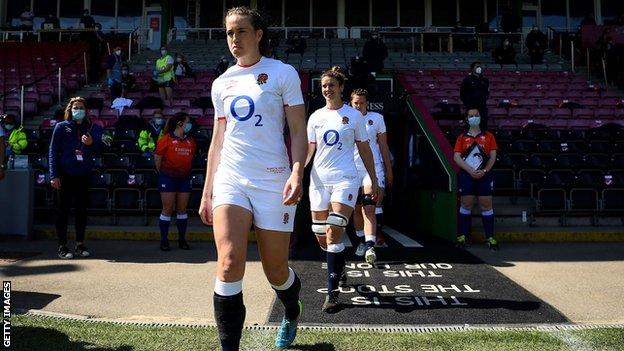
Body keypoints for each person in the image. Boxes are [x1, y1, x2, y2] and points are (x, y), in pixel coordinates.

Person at [198, 6, 307, 350]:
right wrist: (206, 192)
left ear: (258, 34)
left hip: (273, 179)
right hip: (231, 178)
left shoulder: (282, 73)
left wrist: (297, 170)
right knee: (229, 262)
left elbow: (297, 130)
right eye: (229, 32)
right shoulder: (221, 83)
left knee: (276, 271)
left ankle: (291, 308)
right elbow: (218, 141)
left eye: (241, 31)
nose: (234, 39)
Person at [306, 67, 379, 313]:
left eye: (332, 86)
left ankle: (332, 293)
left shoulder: (354, 116)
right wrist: (296, 172)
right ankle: (341, 267)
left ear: (340, 88)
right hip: (318, 180)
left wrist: (374, 178)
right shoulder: (315, 116)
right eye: (324, 86)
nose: (327, 89)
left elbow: (365, 149)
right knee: (321, 236)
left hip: (345, 179)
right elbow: (309, 149)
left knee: (334, 230)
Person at [49, 97, 104, 259]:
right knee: (62, 211)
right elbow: (52, 152)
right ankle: (62, 246)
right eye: (75, 107)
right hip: (65, 174)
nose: (77, 110)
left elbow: (99, 151)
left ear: (86, 111)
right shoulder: (61, 127)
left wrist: (91, 144)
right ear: (70, 110)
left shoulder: (94, 128)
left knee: (81, 210)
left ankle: (80, 244)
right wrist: (54, 175)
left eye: (81, 107)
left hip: (83, 174)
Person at [350, 89, 393, 264]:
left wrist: (389, 169)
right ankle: (361, 240)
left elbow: (383, 146)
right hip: (351, 170)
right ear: (351, 103)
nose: (359, 106)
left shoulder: (377, 119)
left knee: (369, 206)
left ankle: (370, 246)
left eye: (362, 103)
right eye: (355, 103)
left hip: (372, 169)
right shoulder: (345, 118)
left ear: (367, 103)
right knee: (356, 209)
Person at [453, 109, 498, 250]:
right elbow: (456, 157)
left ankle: (490, 237)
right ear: (467, 119)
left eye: (476, 115)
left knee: (486, 205)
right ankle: (462, 237)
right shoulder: (461, 137)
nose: (474, 118)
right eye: (471, 116)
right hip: (467, 175)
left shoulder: (489, 136)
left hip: (484, 175)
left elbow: (493, 156)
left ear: (480, 117)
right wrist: (470, 170)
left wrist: (484, 171)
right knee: (466, 204)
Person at [155, 112, 196, 251]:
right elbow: (158, 159)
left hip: (185, 178)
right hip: (168, 177)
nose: (189, 125)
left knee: (182, 209)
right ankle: (164, 240)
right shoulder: (165, 139)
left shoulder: (191, 141)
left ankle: (182, 240)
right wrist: (164, 174)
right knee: (167, 209)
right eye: (187, 122)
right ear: (180, 123)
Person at [460, 62, 489, 130]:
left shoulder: (485, 80)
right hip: (471, 108)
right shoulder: (467, 80)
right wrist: (468, 105)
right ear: (472, 69)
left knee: (483, 126)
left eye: (480, 66)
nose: (479, 68)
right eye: (477, 66)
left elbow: (487, 93)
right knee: (471, 127)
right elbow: (462, 94)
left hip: (482, 108)